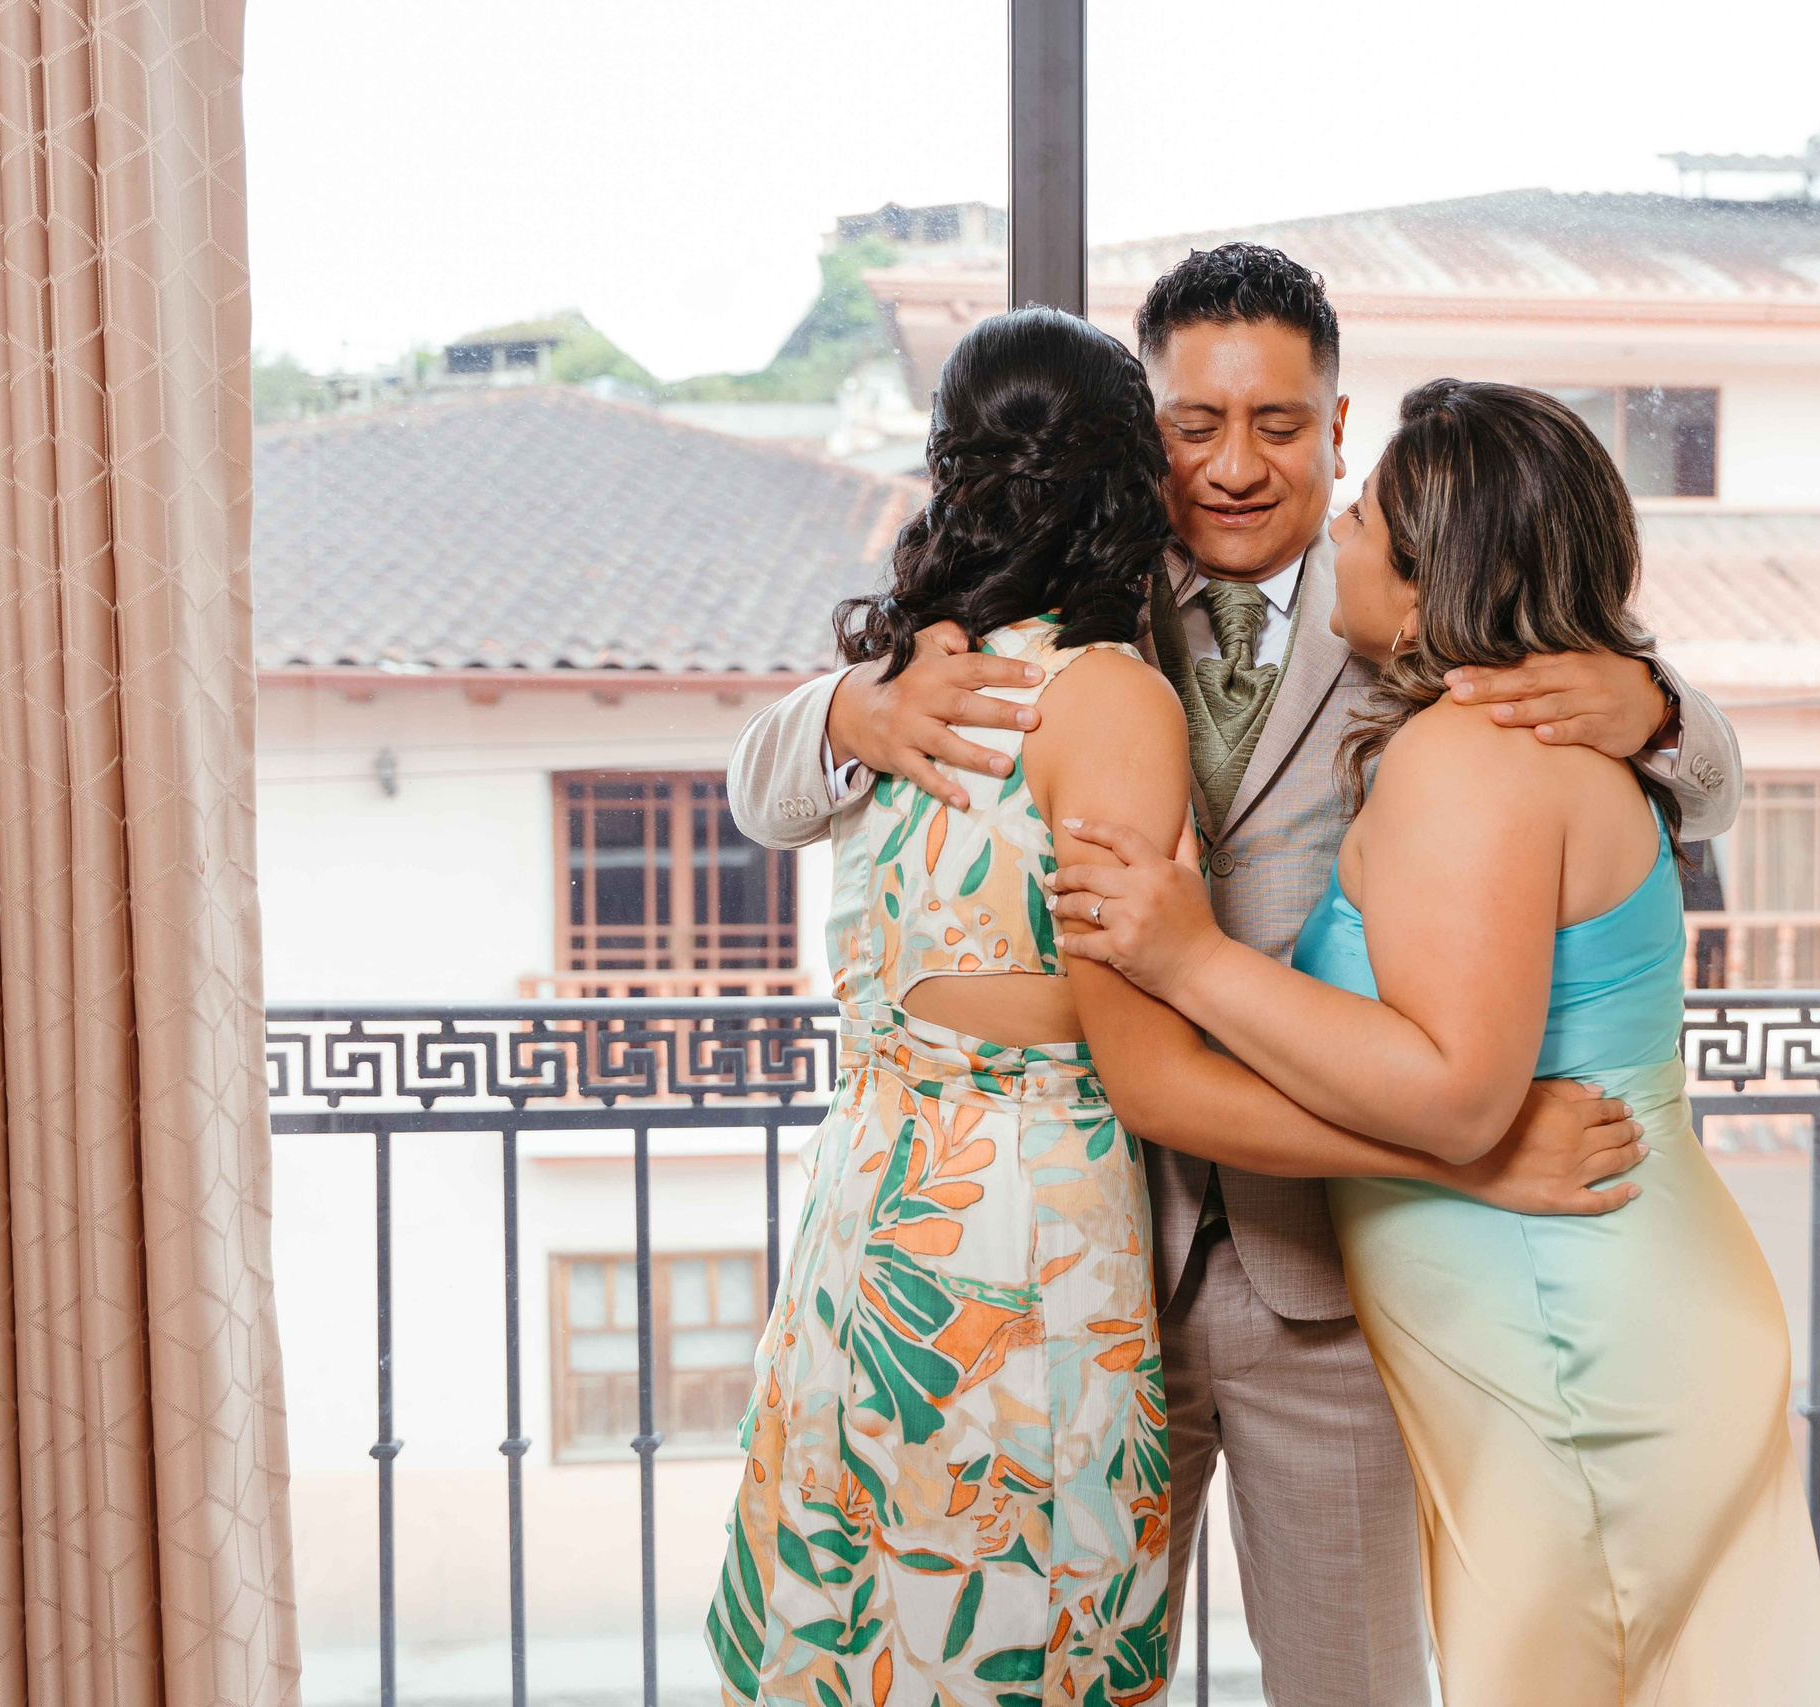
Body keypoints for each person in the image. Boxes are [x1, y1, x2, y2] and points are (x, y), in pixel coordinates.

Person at [726, 246, 1742, 1704]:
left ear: (1339, 429)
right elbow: (766, 790)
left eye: (1279, 425)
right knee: (1062, 1667)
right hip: (1078, 1263)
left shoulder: (1418, 597)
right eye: (1193, 426)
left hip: (1321, 1270)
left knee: (1352, 1685)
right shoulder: (1066, 594)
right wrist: (851, 704)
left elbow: (1696, 792)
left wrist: (1656, 704)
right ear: (1144, 433)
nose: (1236, 465)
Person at [1053, 380, 1820, 1703]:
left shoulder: (1475, 756)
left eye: (1363, 516)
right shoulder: (1511, 737)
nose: (1340, 537)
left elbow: (1457, 1093)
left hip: (1573, 1338)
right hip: (1574, 1314)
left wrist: (1188, 958)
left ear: (1431, 587)